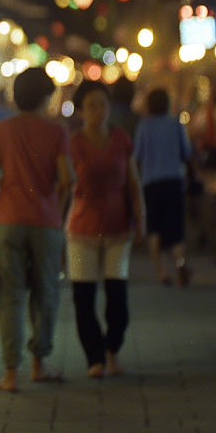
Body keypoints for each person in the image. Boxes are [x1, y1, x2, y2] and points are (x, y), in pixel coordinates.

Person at [0, 70, 72, 392]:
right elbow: (67, 180)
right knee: (46, 295)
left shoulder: (0, 130)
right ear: (45, 97)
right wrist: (56, 211)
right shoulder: (56, 133)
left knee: (9, 297)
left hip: (7, 220)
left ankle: (9, 373)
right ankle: (39, 364)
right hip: (46, 223)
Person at [67, 85, 145, 379]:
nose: (99, 111)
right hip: (81, 228)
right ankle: (95, 358)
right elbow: (63, 186)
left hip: (118, 227)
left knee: (118, 300)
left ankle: (113, 349)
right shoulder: (72, 142)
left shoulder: (121, 138)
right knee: (83, 299)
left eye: (103, 105)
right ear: (81, 110)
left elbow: (134, 182)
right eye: (92, 106)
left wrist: (141, 219)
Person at [133, 88, 194, 286]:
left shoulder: (144, 126)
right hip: (174, 180)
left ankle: (162, 272)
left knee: (154, 228)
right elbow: (186, 152)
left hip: (151, 182)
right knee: (175, 227)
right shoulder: (176, 124)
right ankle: (179, 263)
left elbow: (137, 156)